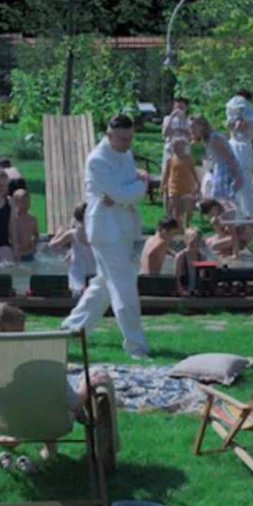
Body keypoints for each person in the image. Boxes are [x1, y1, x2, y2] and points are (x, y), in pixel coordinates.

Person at [0, 302, 115, 471]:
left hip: (6, 422)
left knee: (27, 396)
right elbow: (74, 404)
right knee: (53, 391)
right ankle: (54, 450)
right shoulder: (41, 363)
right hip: (54, 423)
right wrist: (86, 385)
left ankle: (19, 436)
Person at [61, 114, 153, 359]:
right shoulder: (97, 159)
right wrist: (142, 183)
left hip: (124, 228)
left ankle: (72, 328)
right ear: (109, 135)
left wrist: (129, 189)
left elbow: (124, 192)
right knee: (124, 287)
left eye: (130, 138)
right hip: (106, 231)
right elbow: (123, 193)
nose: (127, 143)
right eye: (122, 139)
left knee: (103, 284)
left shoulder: (125, 154)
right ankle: (136, 346)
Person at [190, 116, 245, 208]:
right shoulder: (207, 140)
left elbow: (229, 156)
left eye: (193, 127)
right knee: (218, 199)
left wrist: (235, 174)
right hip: (219, 168)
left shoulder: (213, 137)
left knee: (221, 199)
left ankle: (233, 214)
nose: (191, 130)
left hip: (226, 168)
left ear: (201, 126)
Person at [225, 90, 253, 221]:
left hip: (243, 147)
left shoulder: (250, 116)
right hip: (234, 146)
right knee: (234, 179)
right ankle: (236, 212)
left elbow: (248, 130)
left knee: (245, 179)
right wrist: (234, 125)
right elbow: (230, 126)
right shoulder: (233, 116)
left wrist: (241, 125)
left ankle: (249, 213)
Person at [48, 203, 96, 295]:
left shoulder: (72, 233)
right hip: (94, 271)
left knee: (77, 296)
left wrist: (58, 233)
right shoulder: (97, 234)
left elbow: (52, 246)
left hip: (77, 273)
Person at [162, 137, 201, 230]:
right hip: (174, 187)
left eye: (180, 146)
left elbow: (193, 171)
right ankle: (179, 228)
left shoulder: (188, 159)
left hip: (187, 187)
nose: (178, 148)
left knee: (189, 209)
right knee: (176, 210)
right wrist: (163, 186)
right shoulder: (170, 160)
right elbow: (166, 174)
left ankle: (187, 224)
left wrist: (197, 183)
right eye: (176, 146)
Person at [162, 96, 191, 167]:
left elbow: (192, 136)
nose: (179, 110)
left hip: (184, 149)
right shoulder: (167, 118)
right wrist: (171, 117)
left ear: (186, 108)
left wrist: (181, 130)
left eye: (182, 107)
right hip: (170, 149)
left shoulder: (189, 120)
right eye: (177, 107)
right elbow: (164, 134)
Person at [11, 188, 39, 262]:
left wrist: (34, 246)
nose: (27, 205)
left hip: (29, 252)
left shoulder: (32, 219)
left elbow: (36, 234)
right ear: (15, 203)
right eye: (24, 202)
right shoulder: (13, 219)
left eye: (28, 202)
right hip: (16, 253)